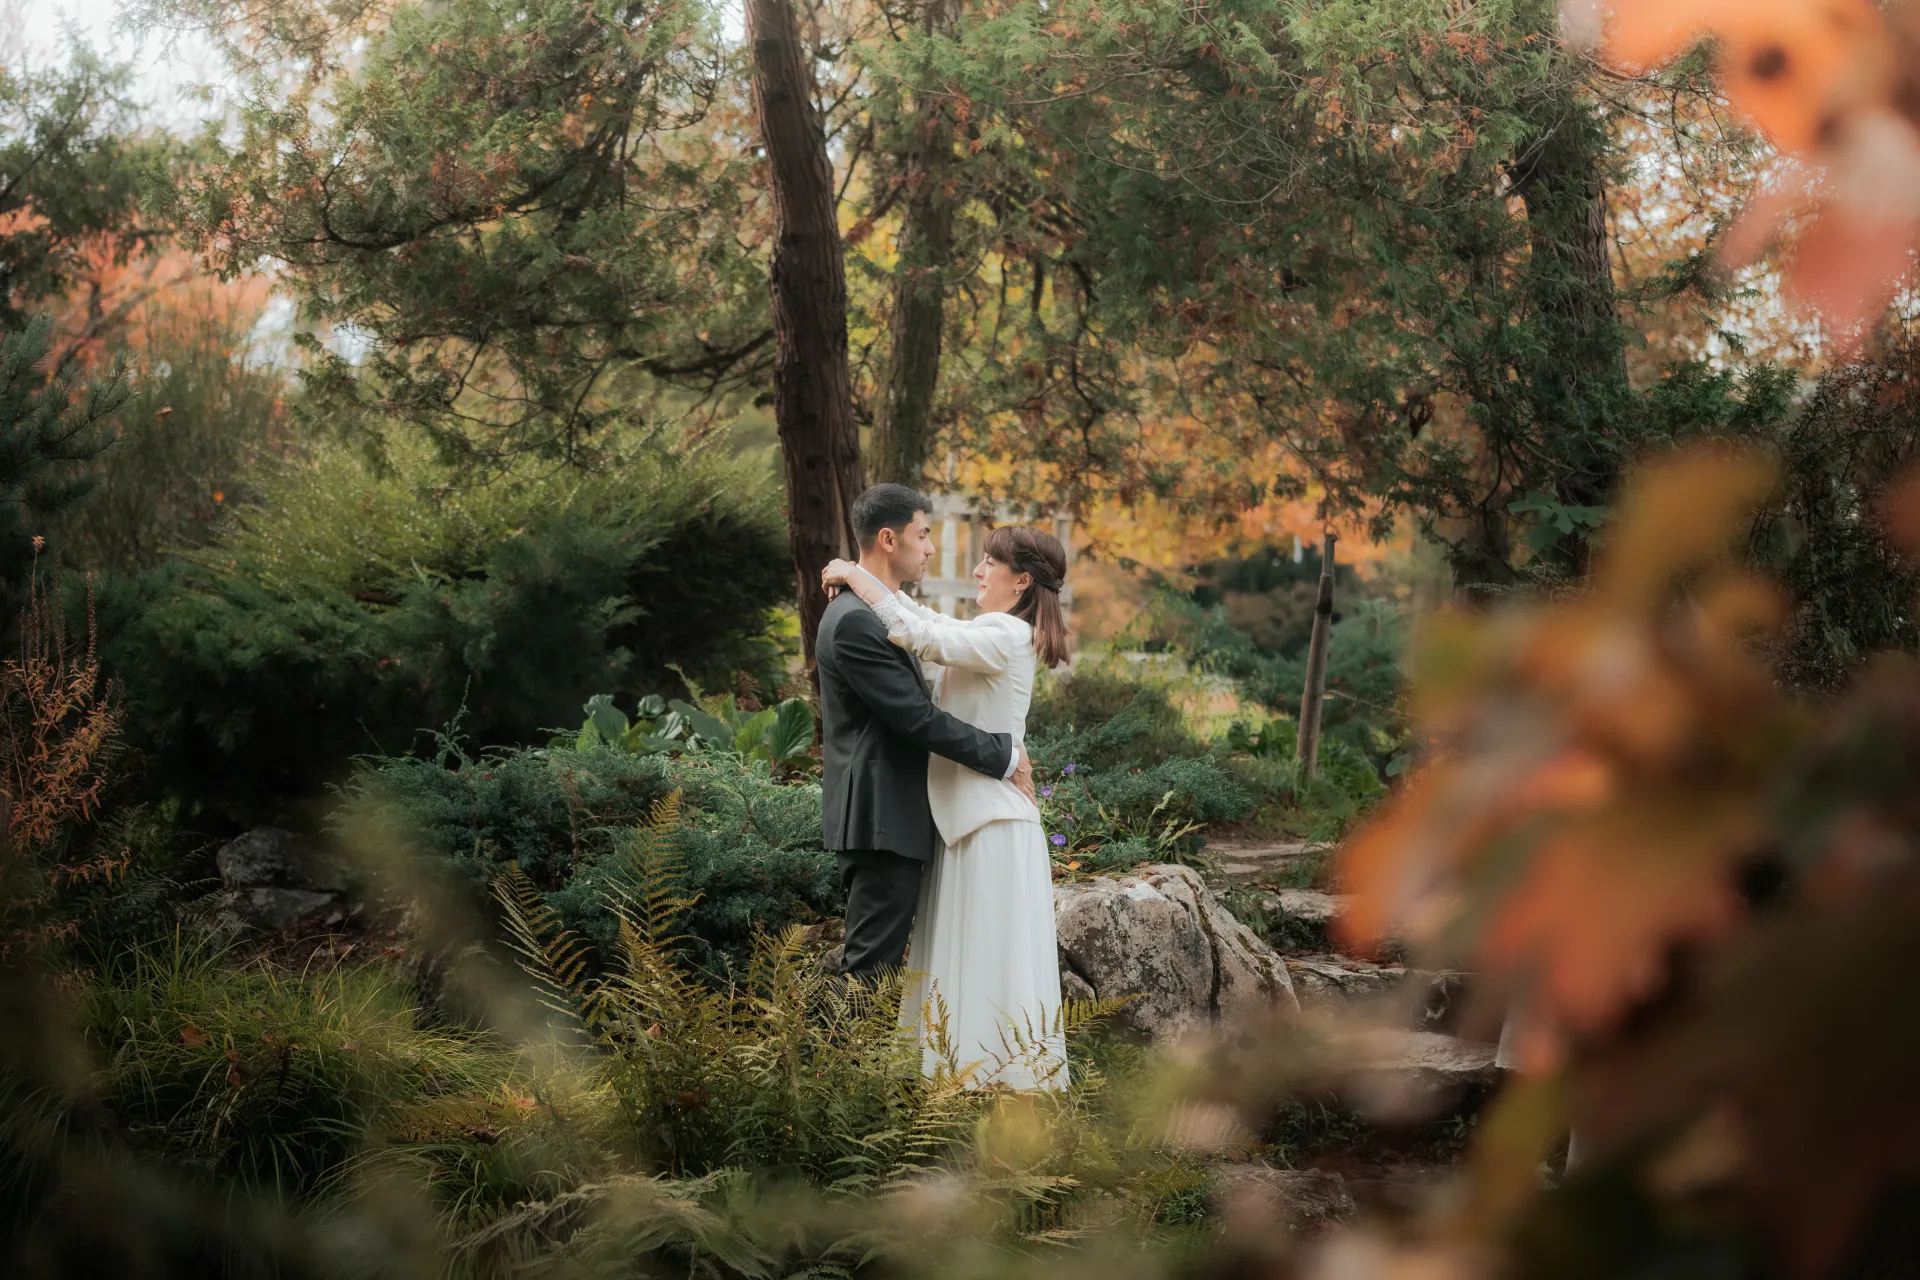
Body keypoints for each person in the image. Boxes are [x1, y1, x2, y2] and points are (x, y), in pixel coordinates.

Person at [822, 522, 1072, 1091]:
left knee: (989, 965)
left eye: (990, 563)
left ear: (1022, 581)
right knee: (965, 962)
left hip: (990, 824)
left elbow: (921, 635)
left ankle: (994, 1089)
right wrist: (866, 579)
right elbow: (930, 624)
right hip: (966, 823)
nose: (978, 572)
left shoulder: (1006, 633)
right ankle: (958, 1089)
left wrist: (854, 573)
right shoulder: (996, 629)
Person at [815, 484, 1035, 992]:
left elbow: (925, 627)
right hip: (879, 817)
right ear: (889, 539)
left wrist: (852, 573)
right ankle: (846, 1072)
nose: (932, 547)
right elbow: (916, 718)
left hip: (892, 817)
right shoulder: (853, 621)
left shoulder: (871, 612)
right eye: (924, 534)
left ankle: (862, 1069)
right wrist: (1005, 754)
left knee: (880, 969)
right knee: (870, 973)